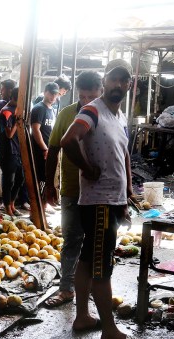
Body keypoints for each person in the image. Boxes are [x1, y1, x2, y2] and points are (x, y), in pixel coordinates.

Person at [60, 59, 143, 339]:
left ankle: (83, 317)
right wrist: (87, 168)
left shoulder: (118, 117)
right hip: (97, 205)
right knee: (102, 268)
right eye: (113, 79)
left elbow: (123, 156)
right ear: (104, 82)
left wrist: (127, 192)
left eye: (124, 81)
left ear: (129, 85)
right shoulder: (92, 110)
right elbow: (68, 140)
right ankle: (110, 331)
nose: (118, 85)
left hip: (112, 201)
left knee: (87, 260)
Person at [43, 70, 103, 308]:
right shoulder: (67, 113)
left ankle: (89, 287)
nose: (87, 101)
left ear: (101, 92)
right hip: (71, 189)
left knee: (96, 241)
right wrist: (50, 183)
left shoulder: (107, 114)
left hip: (100, 190)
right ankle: (67, 288)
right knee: (72, 239)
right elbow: (54, 149)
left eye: (92, 96)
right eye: (83, 96)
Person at [30, 82, 59, 197]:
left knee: (47, 177)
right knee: (39, 178)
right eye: (51, 94)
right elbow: (35, 130)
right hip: (40, 150)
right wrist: (44, 148)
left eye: (55, 95)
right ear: (45, 92)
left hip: (49, 149)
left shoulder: (51, 109)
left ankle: (44, 204)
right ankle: (37, 206)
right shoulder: (39, 108)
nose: (53, 97)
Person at [0, 87, 24, 215]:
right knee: (9, 181)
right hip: (8, 151)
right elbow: (9, 134)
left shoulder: (17, 109)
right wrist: (18, 120)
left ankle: (12, 204)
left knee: (20, 178)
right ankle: (7, 208)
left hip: (18, 150)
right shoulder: (6, 111)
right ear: (15, 98)